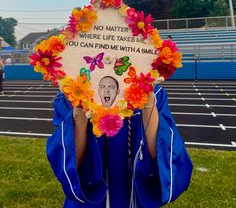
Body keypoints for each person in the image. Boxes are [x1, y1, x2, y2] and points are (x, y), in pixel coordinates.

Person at [46, 84, 193, 208]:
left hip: (133, 197)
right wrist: (79, 108)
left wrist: (148, 103)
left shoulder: (154, 93)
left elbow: (164, 156)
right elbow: (69, 162)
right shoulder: (71, 93)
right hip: (89, 201)